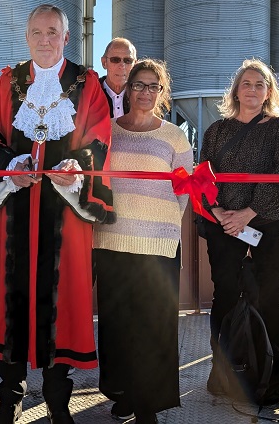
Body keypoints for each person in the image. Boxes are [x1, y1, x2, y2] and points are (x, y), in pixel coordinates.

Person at [0, 4, 115, 424]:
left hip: (66, 216)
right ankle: (10, 397)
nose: (44, 39)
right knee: (11, 300)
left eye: (52, 31)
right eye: (36, 31)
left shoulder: (87, 84)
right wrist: (10, 167)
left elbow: (99, 138)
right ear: (27, 36)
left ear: (66, 37)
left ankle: (57, 400)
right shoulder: (6, 82)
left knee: (64, 300)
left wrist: (77, 168)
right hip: (15, 212)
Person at [93, 59, 190, 424]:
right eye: (139, 85)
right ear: (127, 88)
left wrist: (160, 225)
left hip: (157, 243)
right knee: (117, 325)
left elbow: (183, 191)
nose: (146, 92)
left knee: (155, 325)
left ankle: (148, 403)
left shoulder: (174, 136)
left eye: (154, 87)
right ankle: (124, 394)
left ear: (161, 93)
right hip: (112, 240)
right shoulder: (108, 131)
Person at [199, 59, 279, 399]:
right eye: (246, 83)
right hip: (223, 225)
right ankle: (224, 375)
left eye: (260, 84)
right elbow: (203, 177)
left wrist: (248, 214)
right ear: (236, 90)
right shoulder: (216, 131)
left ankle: (276, 376)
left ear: (268, 92)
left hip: (269, 222)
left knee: (271, 296)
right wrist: (221, 211)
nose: (252, 89)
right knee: (225, 295)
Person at [99, 37, 137, 119]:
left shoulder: (141, 96)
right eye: (115, 60)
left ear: (134, 65)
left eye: (128, 60)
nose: (122, 66)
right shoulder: (89, 94)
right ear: (104, 63)